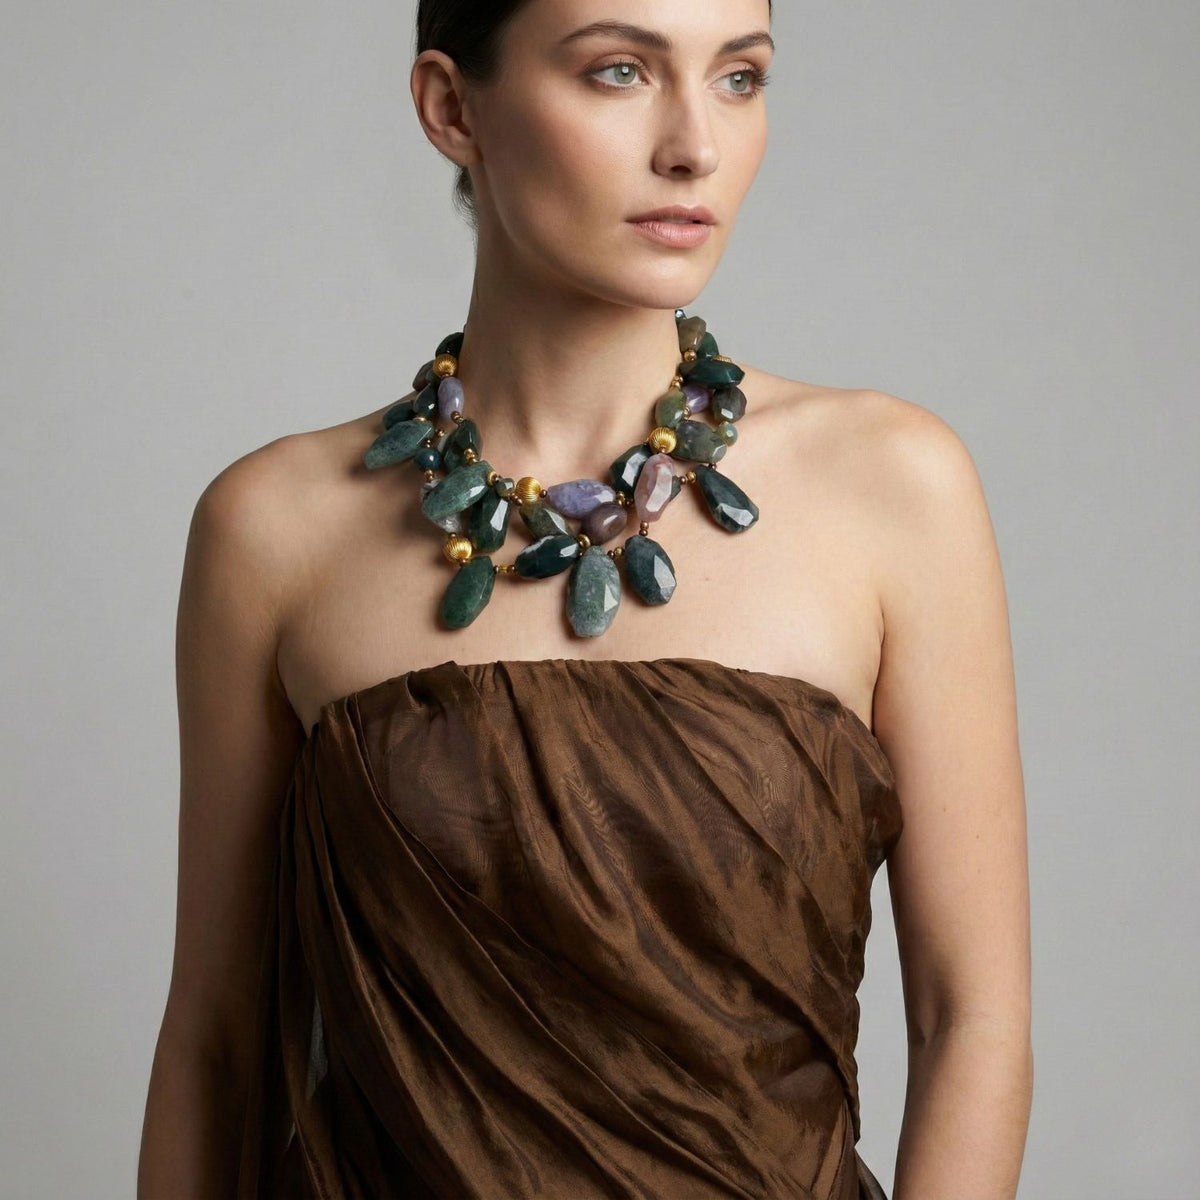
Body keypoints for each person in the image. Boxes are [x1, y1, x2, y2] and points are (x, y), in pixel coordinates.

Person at [138, 2, 1033, 1197]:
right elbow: (214, 1044)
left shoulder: (892, 486)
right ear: (454, 108)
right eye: (619, 72)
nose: (695, 144)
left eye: (740, 78)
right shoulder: (274, 530)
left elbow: (970, 1015)